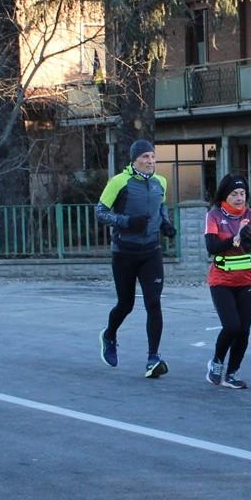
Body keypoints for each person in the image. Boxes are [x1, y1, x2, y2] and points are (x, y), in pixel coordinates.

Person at [95, 139, 175, 378]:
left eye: (152, 156)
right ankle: (109, 335)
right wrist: (127, 222)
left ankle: (153, 358)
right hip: (124, 252)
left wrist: (166, 223)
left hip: (151, 251)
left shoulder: (160, 181)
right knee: (126, 304)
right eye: (145, 157)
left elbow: (161, 206)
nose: (151, 161)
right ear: (135, 159)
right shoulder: (119, 182)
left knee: (154, 303)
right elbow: (100, 212)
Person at [203, 173, 251, 389]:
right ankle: (217, 362)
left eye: (242, 193)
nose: (239, 198)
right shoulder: (214, 216)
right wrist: (235, 240)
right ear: (225, 195)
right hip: (221, 280)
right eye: (234, 194)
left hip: (246, 280)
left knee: (244, 330)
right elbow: (212, 247)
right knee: (232, 326)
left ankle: (232, 373)